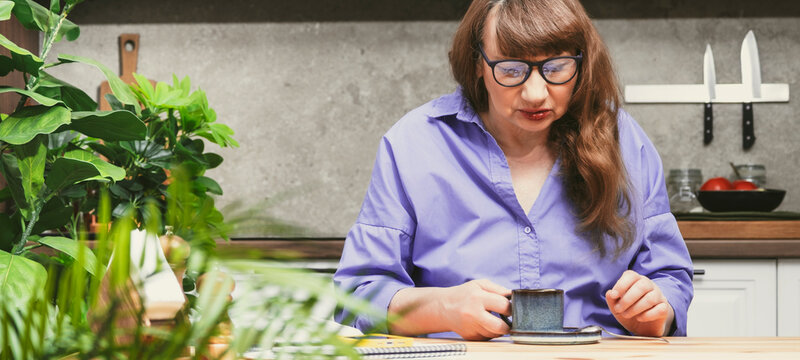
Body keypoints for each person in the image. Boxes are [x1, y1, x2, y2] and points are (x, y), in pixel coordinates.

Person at [334, 0, 693, 340]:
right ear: (478, 62)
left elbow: (668, 277)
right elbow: (356, 298)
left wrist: (657, 309)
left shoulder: (624, 140)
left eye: (556, 68)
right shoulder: (413, 144)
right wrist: (441, 307)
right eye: (511, 70)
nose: (536, 93)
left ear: (581, 62)